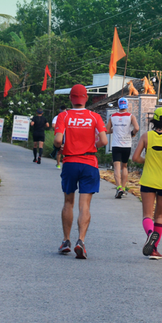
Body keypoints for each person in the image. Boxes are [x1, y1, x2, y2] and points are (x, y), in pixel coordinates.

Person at [54, 84, 108, 259]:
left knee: (68, 202)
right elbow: (104, 140)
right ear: (85, 98)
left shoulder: (64, 116)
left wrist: (60, 146)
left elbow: (57, 140)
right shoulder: (94, 116)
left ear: (71, 98)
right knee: (84, 205)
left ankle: (66, 241)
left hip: (70, 162)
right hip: (89, 162)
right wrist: (93, 146)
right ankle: (81, 241)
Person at [132, 107, 162, 260]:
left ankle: (150, 235)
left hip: (148, 180)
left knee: (147, 215)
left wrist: (147, 161)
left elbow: (135, 158)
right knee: (158, 216)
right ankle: (154, 250)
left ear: (154, 120)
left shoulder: (146, 136)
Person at [105, 97, 139, 199]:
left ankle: (118, 187)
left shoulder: (112, 117)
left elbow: (107, 130)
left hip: (116, 145)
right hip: (126, 145)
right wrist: (132, 133)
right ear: (127, 105)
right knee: (124, 166)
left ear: (118, 105)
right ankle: (123, 188)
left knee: (116, 167)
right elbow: (136, 128)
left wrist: (114, 130)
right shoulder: (131, 116)